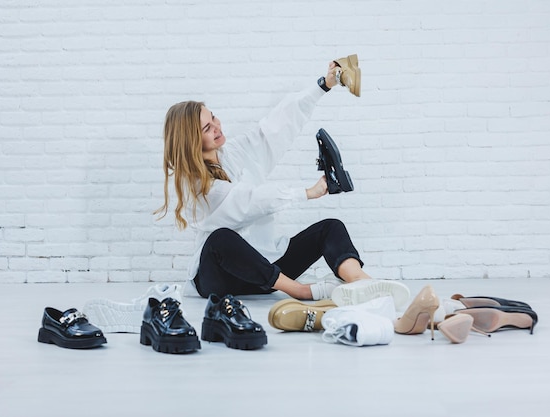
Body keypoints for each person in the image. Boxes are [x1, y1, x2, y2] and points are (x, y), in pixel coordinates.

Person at [156, 56, 410, 307]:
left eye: (214, 118)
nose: (217, 127)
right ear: (191, 140)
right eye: (206, 128)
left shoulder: (232, 153)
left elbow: (274, 128)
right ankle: (300, 291)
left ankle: (363, 284)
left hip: (267, 268)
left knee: (330, 228)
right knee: (220, 239)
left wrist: (323, 85)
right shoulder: (195, 186)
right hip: (222, 279)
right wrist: (307, 192)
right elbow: (247, 203)